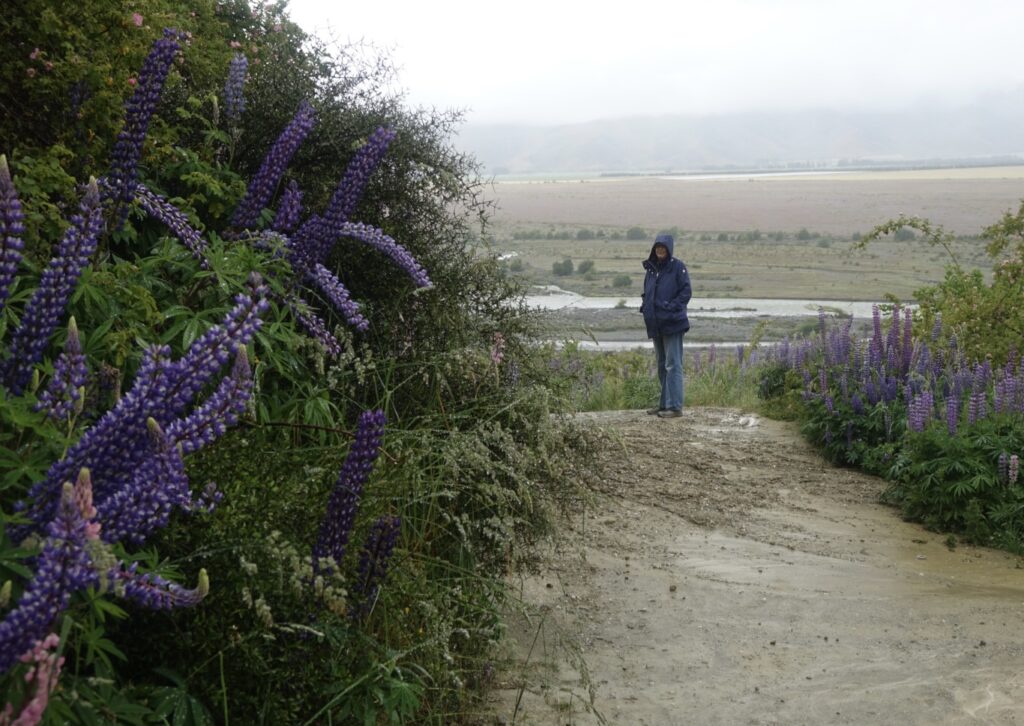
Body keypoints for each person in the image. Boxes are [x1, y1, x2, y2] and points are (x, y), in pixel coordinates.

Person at [640, 233, 691, 418]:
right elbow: (647, 292)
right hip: (656, 323)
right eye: (657, 247)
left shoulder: (678, 267)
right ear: (654, 249)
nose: (660, 250)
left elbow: (686, 292)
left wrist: (671, 308)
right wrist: (645, 306)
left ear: (669, 249)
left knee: (673, 364)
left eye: (663, 247)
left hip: (673, 323)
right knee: (662, 365)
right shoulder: (651, 269)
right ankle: (664, 405)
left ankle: (675, 407)